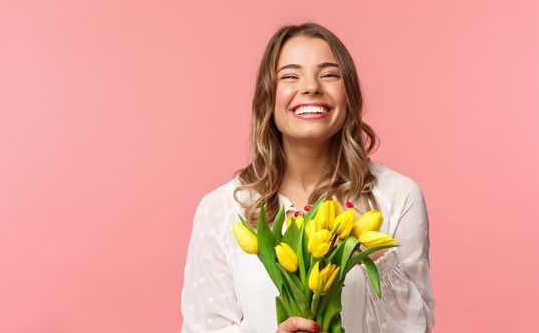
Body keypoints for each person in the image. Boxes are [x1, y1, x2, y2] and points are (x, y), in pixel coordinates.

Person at [180, 22, 435, 332]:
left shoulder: (396, 196)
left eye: (329, 74)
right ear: (268, 97)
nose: (311, 87)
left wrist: (374, 251)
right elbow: (204, 328)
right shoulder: (221, 209)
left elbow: (415, 328)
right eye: (289, 76)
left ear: (348, 94)